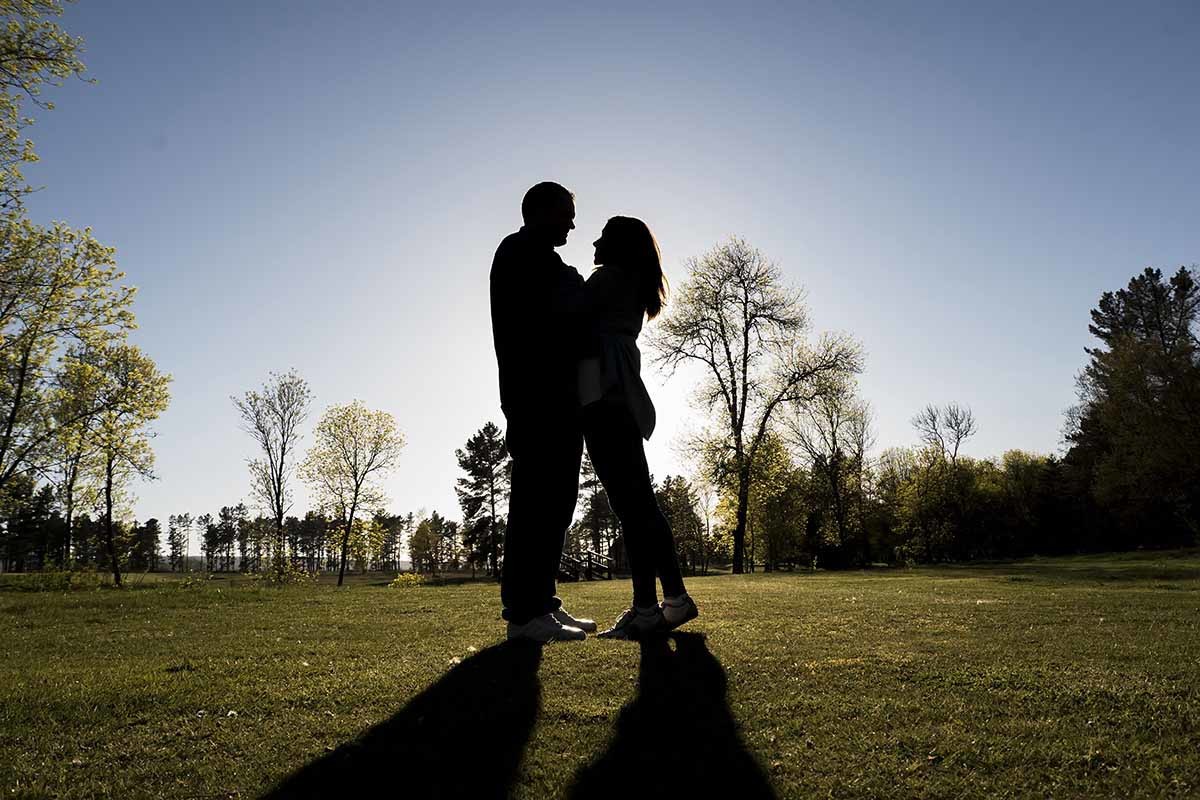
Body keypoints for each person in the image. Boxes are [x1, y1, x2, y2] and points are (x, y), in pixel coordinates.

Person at [578, 216, 699, 640]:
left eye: (603, 237)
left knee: (636, 506)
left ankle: (666, 601)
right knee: (635, 506)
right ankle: (651, 605)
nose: (593, 242)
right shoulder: (629, 282)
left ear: (619, 247)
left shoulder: (609, 279)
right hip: (617, 397)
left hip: (607, 398)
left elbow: (568, 311)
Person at [490, 181, 597, 643]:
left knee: (556, 503)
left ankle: (542, 605)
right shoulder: (519, 252)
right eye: (567, 213)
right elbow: (568, 303)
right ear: (542, 211)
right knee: (536, 503)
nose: (573, 223)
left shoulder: (540, 257)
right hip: (537, 398)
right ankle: (524, 613)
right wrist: (577, 285)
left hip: (557, 398)